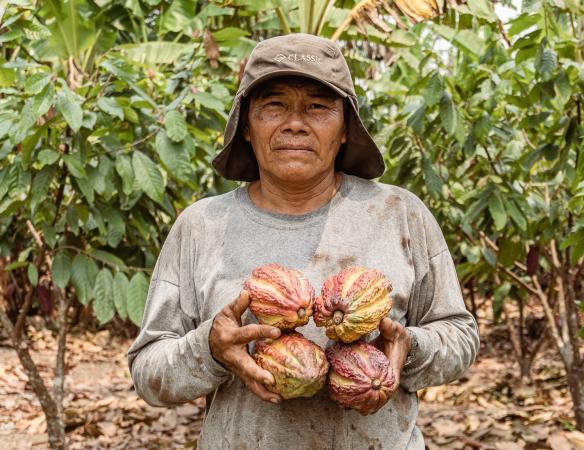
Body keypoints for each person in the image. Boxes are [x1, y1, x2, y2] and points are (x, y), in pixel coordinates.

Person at [127, 33, 480, 449]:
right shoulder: (202, 226)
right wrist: (211, 349)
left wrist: (409, 347)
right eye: (274, 105)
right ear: (245, 126)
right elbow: (149, 372)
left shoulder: (400, 214)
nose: (295, 122)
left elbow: (460, 335)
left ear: (346, 128)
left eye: (317, 106)